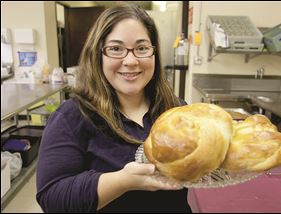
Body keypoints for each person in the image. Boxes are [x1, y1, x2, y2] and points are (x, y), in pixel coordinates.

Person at [36, 3, 191, 213]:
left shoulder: (176, 110)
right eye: (116, 49)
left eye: (142, 48)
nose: (130, 60)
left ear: (154, 53)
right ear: (98, 54)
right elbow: (52, 198)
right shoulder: (72, 117)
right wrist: (122, 181)